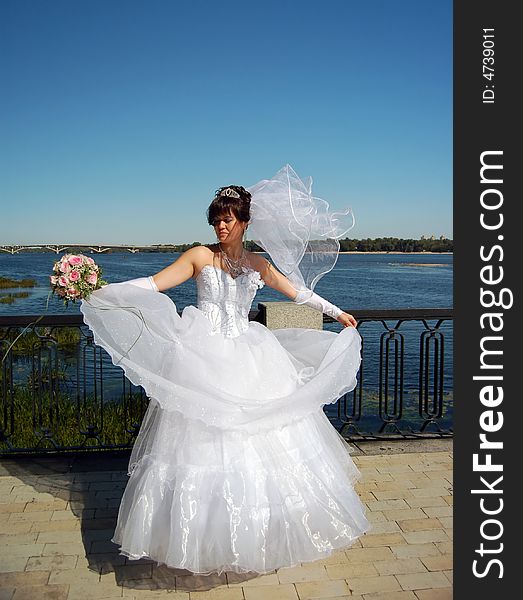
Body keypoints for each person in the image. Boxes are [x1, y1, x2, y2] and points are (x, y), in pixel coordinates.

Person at [80, 164, 370, 576]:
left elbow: (298, 292)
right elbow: (155, 284)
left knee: (264, 443)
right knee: (199, 442)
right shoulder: (199, 256)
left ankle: (260, 533)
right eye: (216, 219)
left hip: (250, 356)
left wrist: (336, 312)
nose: (220, 226)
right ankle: (201, 534)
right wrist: (102, 292)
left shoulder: (257, 264)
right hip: (204, 356)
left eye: (227, 219)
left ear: (244, 223)